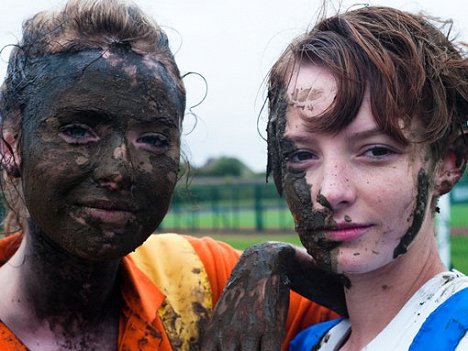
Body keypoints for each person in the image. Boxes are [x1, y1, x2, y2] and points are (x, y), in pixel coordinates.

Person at [0, 0, 344, 350]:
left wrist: (281, 263)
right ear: (10, 145)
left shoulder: (199, 280)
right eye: (78, 131)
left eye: (153, 139)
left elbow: (387, 305)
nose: (120, 170)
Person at [256, 5, 468, 351]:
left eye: (376, 151)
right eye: (302, 155)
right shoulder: (306, 343)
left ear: (449, 161)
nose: (330, 191)